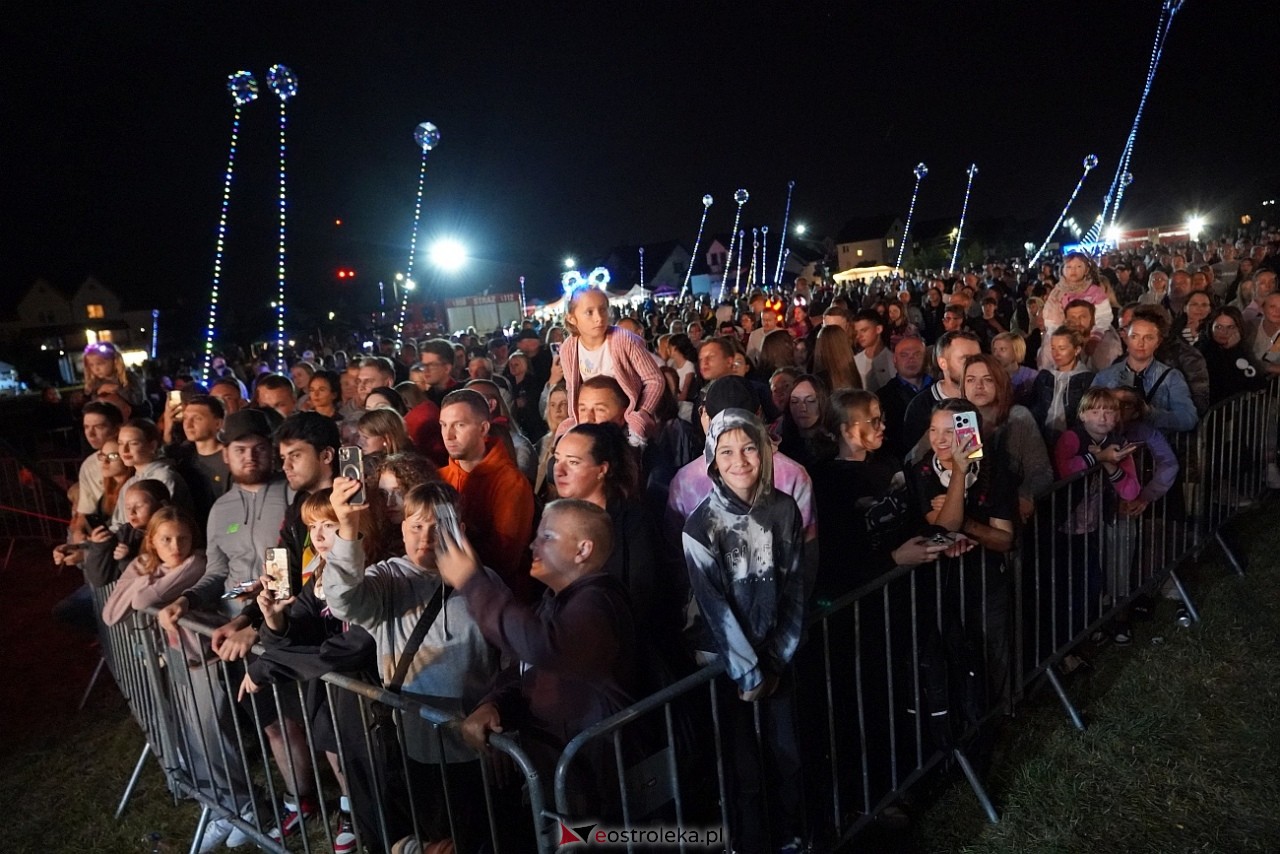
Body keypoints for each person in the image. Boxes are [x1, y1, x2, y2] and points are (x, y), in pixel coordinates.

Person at [325, 478, 500, 852]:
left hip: (476, 749)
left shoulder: (486, 584)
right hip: (415, 749)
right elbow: (342, 599)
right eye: (416, 526)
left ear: (460, 531)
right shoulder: (388, 579)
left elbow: (510, 658)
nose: (425, 537)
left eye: (438, 527)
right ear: (402, 528)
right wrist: (347, 529)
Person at [682, 408, 806, 854]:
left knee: (787, 755)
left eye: (749, 448)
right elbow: (713, 607)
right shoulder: (700, 526)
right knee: (742, 767)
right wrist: (748, 672)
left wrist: (775, 659)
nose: (740, 460)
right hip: (725, 668)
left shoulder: (784, 509)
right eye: (727, 451)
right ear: (713, 459)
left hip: (777, 657)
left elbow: (794, 585)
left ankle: (793, 835)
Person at [437, 389, 535, 599]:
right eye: (443, 425)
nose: (448, 435)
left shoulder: (510, 482)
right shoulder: (439, 477)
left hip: (496, 596)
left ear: (483, 428)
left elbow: (505, 559)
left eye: (459, 425)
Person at [557, 285, 665, 446]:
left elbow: (655, 380)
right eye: (589, 312)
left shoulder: (624, 340)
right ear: (572, 318)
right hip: (592, 421)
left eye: (603, 310)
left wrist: (641, 413)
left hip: (625, 422)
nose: (599, 318)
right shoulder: (568, 349)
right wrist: (575, 418)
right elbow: (573, 388)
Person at [961, 354, 1053, 522]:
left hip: (1007, 516)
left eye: (987, 379)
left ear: (999, 383)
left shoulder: (1018, 417)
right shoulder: (954, 418)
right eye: (971, 380)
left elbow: (1042, 471)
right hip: (968, 515)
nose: (979, 386)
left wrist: (1026, 494)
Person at [1092, 306, 1198, 434]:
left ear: (1158, 342)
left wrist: (1149, 413)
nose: (1140, 343)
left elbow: (1188, 418)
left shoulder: (1171, 377)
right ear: (1126, 339)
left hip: (1156, 449)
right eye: (1135, 336)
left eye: (1148, 338)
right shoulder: (1106, 376)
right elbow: (1087, 411)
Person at [101, 506, 205, 626]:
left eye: (183, 539)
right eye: (166, 539)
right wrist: (146, 578)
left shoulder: (196, 563)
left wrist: (149, 578)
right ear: (151, 541)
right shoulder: (143, 563)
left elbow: (140, 601)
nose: (176, 547)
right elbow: (110, 616)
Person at [901, 330, 983, 459]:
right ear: (943, 363)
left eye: (978, 359)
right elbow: (911, 459)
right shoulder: (921, 407)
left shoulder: (988, 399)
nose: (974, 366)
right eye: (966, 359)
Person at [111, 418, 190, 527]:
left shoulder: (164, 477)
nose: (125, 450)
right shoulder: (129, 483)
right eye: (120, 443)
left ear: (152, 446)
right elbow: (118, 524)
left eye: (133, 443)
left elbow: (167, 519)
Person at [1039, 253, 1114, 368]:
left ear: (1086, 269)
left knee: (1106, 349)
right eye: (1069, 267)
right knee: (1049, 350)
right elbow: (1051, 318)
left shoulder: (1095, 291)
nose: (1073, 270)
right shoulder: (1057, 292)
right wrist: (1062, 335)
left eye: (1078, 267)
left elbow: (1103, 316)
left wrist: (1094, 336)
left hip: (1092, 332)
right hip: (1064, 332)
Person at [1029, 327, 1096, 444]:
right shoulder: (1045, 376)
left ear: (1077, 350)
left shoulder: (1087, 379)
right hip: (1042, 439)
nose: (1056, 354)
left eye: (1062, 348)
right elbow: (1035, 406)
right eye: (1053, 348)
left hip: (1074, 441)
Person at [1197, 306, 1270, 404]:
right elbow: (1224, 384)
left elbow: (1257, 382)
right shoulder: (1203, 350)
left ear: (1238, 329)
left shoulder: (1240, 349)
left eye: (1230, 327)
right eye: (1218, 327)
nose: (1224, 332)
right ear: (1211, 327)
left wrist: (1234, 350)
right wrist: (1232, 352)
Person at [774, 374, 838, 467]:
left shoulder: (837, 447)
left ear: (823, 402)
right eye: (795, 401)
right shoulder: (781, 447)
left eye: (810, 401)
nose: (802, 408)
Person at [991, 331, 1038, 405]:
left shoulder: (1032, 376)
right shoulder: (989, 377)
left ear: (1016, 351)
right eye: (994, 350)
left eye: (1002, 349)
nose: (996, 354)